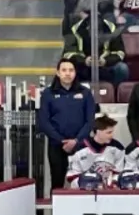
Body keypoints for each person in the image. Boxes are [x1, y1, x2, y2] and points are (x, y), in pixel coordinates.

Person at [36, 59, 97, 193]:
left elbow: (90, 120)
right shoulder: (48, 94)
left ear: (75, 73)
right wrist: (61, 140)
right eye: (64, 70)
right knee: (57, 183)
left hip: (81, 146)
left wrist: (76, 140)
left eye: (71, 70)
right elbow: (44, 122)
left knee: (84, 182)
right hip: (57, 146)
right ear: (58, 73)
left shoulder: (85, 93)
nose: (67, 74)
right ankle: (57, 213)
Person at [62, 14, 129, 85]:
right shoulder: (75, 29)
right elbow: (68, 53)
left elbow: (120, 52)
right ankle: (75, 92)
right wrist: (84, 60)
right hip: (83, 66)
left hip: (105, 65)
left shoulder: (111, 28)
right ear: (87, 27)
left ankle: (114, 93)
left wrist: (106, 61)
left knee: (122, 68)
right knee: (67, 68)